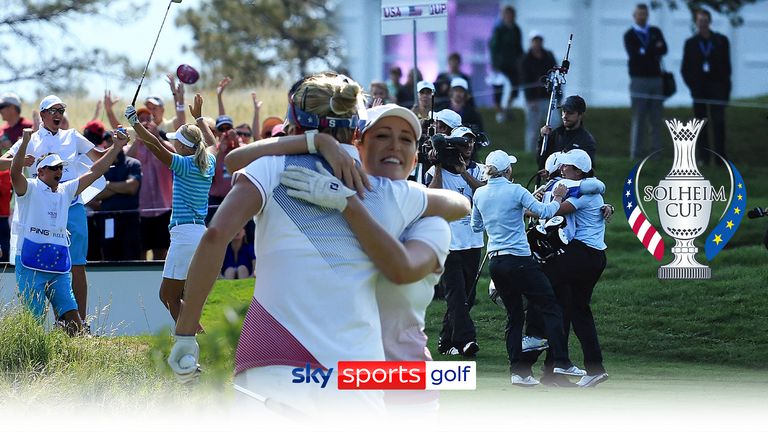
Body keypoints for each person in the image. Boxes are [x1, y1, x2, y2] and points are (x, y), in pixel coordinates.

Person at [167, 74, 468, 413]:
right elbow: (460, 204)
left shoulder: (270, 167)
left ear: (294, 123)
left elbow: (215, 235)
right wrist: (325, 149)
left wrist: (185, 333)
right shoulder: (386, 190)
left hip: (271, 355)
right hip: (354, 372)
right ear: (356, 130)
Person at [471, 149, 576, 386]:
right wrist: (558, 196)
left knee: (515, 316)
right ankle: (560, 361)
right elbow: (547, 212)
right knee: (550, 305)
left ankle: (519, 372)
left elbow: (476, 226)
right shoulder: (515, 190)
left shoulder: (480, 193)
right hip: (519, 259)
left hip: (496, 262)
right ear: (508, 170)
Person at [11, 127, 127, 335]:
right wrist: (25, 142)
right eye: (53, 168)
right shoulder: (28, 188)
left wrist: (117, 146)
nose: (59, 172)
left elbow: (95, 171)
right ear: (41, 171)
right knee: (33, 325)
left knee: (74, 320)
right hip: (30, 265)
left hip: (58, 266)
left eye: (61, 168)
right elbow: (14, 172)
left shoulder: (66, 190)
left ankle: (79, 358)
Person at [0, 95, 105, 323]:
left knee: (76, 265)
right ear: (43, 115)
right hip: (38, 211)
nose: (58, 114)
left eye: (61, 110)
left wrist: (120, 143)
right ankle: (47, 324)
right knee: (38, 264)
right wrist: (19, 161)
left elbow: (99, 158)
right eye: (53, 110)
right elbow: (1, 162)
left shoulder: (72, 136)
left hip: (72, 204)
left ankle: (80, 323)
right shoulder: (31, 139)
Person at [124, 94, 216, 325]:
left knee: (167, 296)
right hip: (199, 234)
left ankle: (189, 338)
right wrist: (199, 117)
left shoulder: (183, 164)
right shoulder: (209, 161)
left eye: (177, 141)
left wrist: (134, 123)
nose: (174, 143)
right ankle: (193, 337)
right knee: (179, 296)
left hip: (184, 235)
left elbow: (154, 145)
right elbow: (211, 142)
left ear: (184, 146)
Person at [527, 150, 609, 387]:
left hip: (581, 254)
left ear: (580, 171)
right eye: (562, 166)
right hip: (591, 257)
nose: (563, 169)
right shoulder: (581, 187)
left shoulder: (586, 189)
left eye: (568, 167)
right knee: (576, 311)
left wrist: (523, 210)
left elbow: (557, 210)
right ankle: (593, 368)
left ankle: (534, 338)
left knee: (540, 285)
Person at [426, 126, 486, 357]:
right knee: (456, 294)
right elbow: (432, 196)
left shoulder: (478, 170)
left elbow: (483, 194)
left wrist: (464, 173)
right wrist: (439, 165)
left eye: (471, 142)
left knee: (467, 296)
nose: (468, 146)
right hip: (447, 242)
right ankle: (467, 341)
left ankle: (446, 340)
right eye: (463, 142)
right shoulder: (435, 171)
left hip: (472, 241)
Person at [681, 8, 731, 164]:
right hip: (699, 89)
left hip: (717, 87)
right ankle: (704, 157)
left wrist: (725, 89)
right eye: (700, 20)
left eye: (705, 20)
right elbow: (685, 68)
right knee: (701, 125)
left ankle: (720, 158)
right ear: (696, 22)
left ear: (710, 22)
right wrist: (693, 86)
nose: (702, 23)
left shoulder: (721, 40)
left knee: (718, 123)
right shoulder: (691, 43)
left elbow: (727, 66)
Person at [123, 107, 173, 261]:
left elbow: (175, 156)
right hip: (141, 209)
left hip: (163, 207)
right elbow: (125, 161)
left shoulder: (162, 142)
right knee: (140, 250)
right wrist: (139, 139)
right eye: (140, 120)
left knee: (161, 251)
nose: (145, 123)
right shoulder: (133, 146)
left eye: (148, 119)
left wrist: (156, 138)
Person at [624, 3, 668, 160]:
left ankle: (656, 153)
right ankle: (636, 153)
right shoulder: (630, 35)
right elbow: (635, 55)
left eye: (644, 14)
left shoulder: (655, 31)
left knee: (656, 118)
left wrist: (646, 51)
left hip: (656, 79)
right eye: (639, 14)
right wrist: (651, 49)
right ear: (634, 16)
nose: (642, 17)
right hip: (639, 80)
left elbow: (663, 49)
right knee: (639, 117)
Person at [90, 143, 142, 260]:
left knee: (131, 257)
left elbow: (131, 187)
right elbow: (96, 194)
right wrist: (121, 187)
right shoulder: (102, 167)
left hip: (130, 219)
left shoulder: (133, 164)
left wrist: (107, 185)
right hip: (108, 218)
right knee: (110, 254)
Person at [0, 93, 34, 260]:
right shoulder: (2, 131)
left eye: (2, 107)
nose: (0, 111)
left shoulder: (28, 127)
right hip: (7, 193)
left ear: (13, 108)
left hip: (26, 187)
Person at [520, 30, 557, 154]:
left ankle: (554, 150)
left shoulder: (548, 56)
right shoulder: (526, 59)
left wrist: (556, 95)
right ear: (531, 42)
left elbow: (555, 74)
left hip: (548, 97)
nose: (537, 43)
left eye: (539, 40)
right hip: (533, 100)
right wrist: (530, 100)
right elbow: (524, 81)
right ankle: (530, 153)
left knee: (555, 123)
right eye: (535, 41)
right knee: (533, 129)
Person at [538, 95, 596, 170]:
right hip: (553, 180)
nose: (564, 116)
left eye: (570, 113)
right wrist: (542, 138)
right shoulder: (555, 134)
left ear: (580, 115)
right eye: (564, 111)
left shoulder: (586, 140)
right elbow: (541, 162)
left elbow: (588, 169)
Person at [489, 5, 524, 122]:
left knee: (514, 87)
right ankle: (499, 113)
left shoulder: (516, 29)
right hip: (501, 64)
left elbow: (519, 47)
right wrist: (495, 65)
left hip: (513, 64)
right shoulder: (499, 30)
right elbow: (494, 47)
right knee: (499, 88)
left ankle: (507, 108)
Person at [207, 115, 239, 224]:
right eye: (222, 129)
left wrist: (236, 142)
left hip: (237, 197)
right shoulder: (212, 150)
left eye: (228, 128)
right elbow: (209, 172)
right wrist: (220, 151)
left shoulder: (241, 147)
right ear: (217, 133)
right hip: (217, 199)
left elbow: (244, 165)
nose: (225, 132)